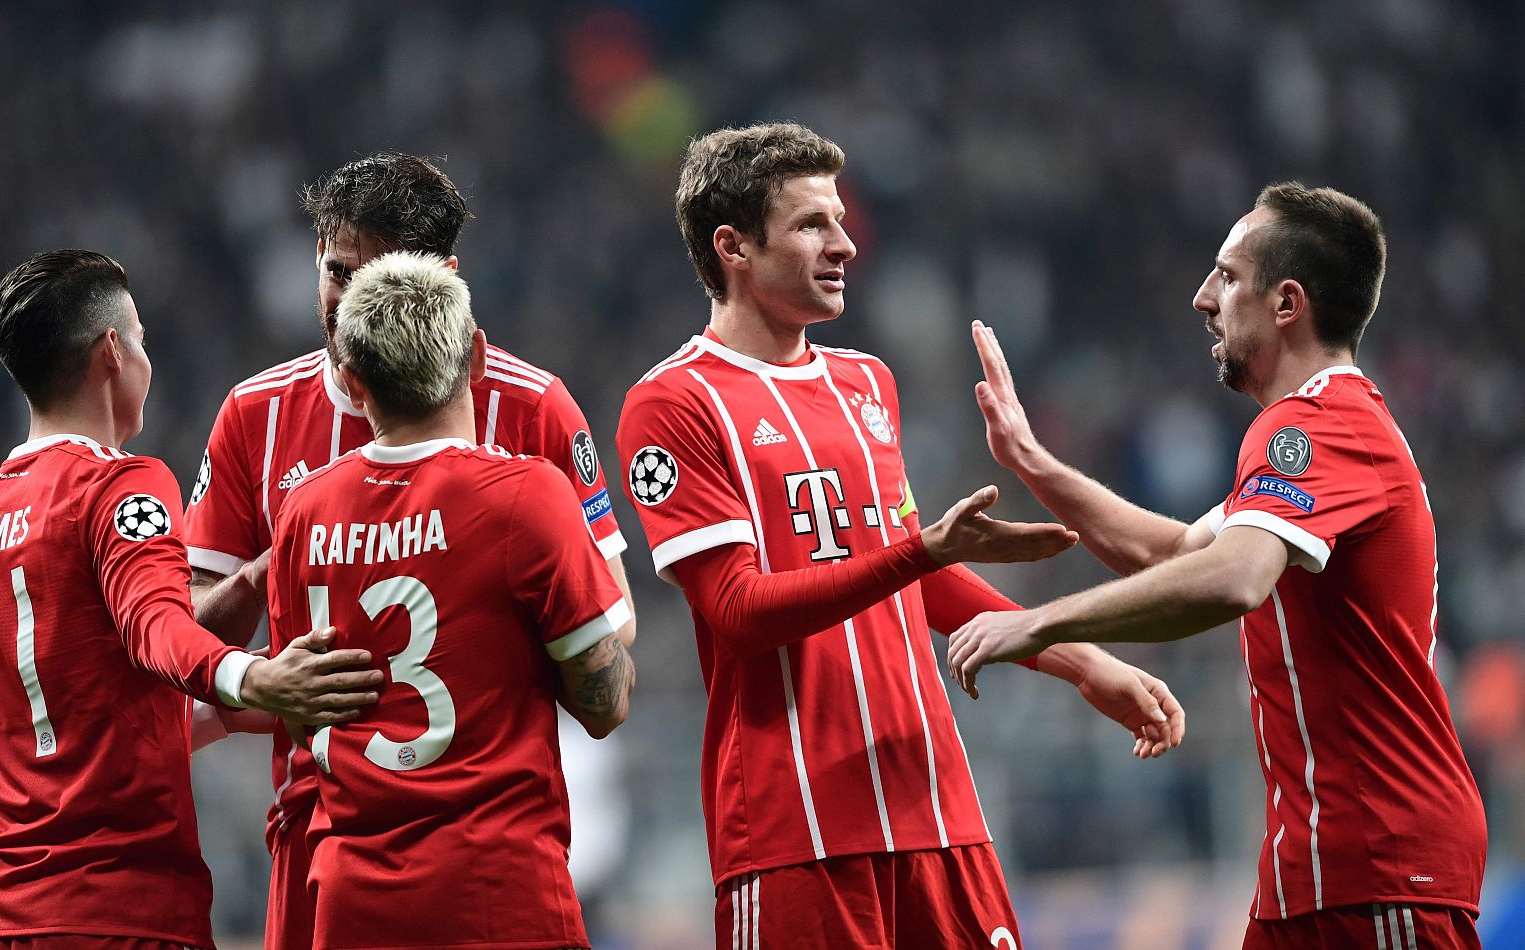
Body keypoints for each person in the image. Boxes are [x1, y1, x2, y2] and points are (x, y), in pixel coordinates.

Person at [616, 123, 1185, 949]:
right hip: (797, 829)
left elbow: (915, 578)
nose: (844, 245)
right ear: (733, 247)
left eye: (841, 220)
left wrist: (1078, 659)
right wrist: (921, 551)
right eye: (811, 224)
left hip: (936, 806)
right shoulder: (672, 404)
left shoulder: (866, 383)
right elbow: (738, 612)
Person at [948, 183, 1487, 948]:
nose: (1204, 298)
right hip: (1316, 864)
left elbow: (1234, 578)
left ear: (1287, 303)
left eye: (1229, 277)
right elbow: (1174, 555)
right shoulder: (1314, 433)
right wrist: (1031, 461)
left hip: (1381, 861)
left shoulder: (1320, 423)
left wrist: (1041, 625)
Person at [182, 152, 636, 949]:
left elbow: (613, 613)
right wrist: (264, 595)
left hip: (469, 817)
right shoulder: (256, 413)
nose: (351, 301)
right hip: (316, 822)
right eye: (336, 271)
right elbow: (184, 639)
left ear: (445, 280)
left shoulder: (534, 406)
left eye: (379, 275)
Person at [0, 250, 383, 950]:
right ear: (113, 352)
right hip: (120, 910)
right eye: (141, 339)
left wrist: (252, 588)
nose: (148, 358)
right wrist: (256, 675)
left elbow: (99, 709)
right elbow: (156, 628)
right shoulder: (117, 486)